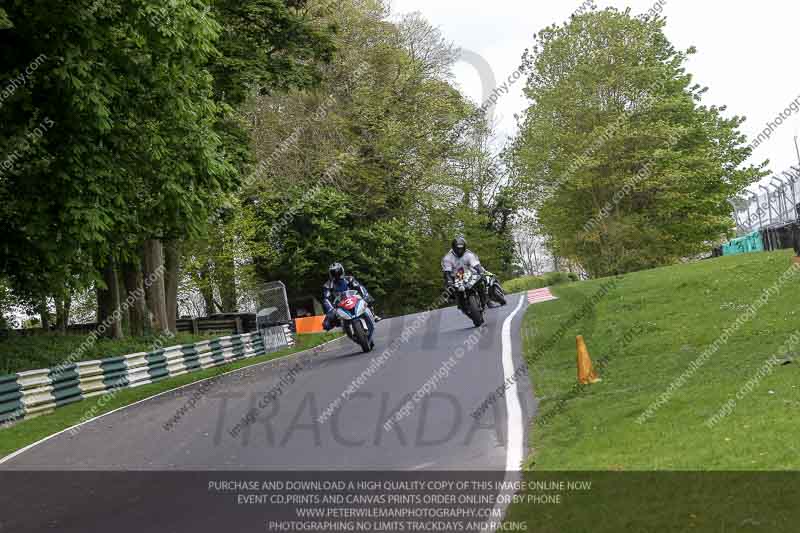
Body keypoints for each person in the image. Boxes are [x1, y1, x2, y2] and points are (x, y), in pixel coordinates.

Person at [441, 236, 504, 307]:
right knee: (450, 288)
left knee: (481, 282)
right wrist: (449, 282)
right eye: (458, 249)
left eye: (462, 249)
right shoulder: (447, 258)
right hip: (455, 276)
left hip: (469, 273)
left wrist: (482, 272)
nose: (460, 251)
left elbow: (476, 265)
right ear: (453, 247)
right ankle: (458, 301)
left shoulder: (468, 254)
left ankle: (487, 301)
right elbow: (447, 273)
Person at [322, 263, 378, 331]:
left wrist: (365, 295)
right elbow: (326, 298)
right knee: (326, 324)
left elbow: (359, 287)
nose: (337, 274)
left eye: (338, 272)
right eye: (334, 273)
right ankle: (342, 327)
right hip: (339, 305)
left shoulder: (349, 279)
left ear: (342, 271)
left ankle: (373, 315)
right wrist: (331, 309)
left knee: (368, 298)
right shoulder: (328, 285)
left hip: (354, 299)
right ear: (331, 274)